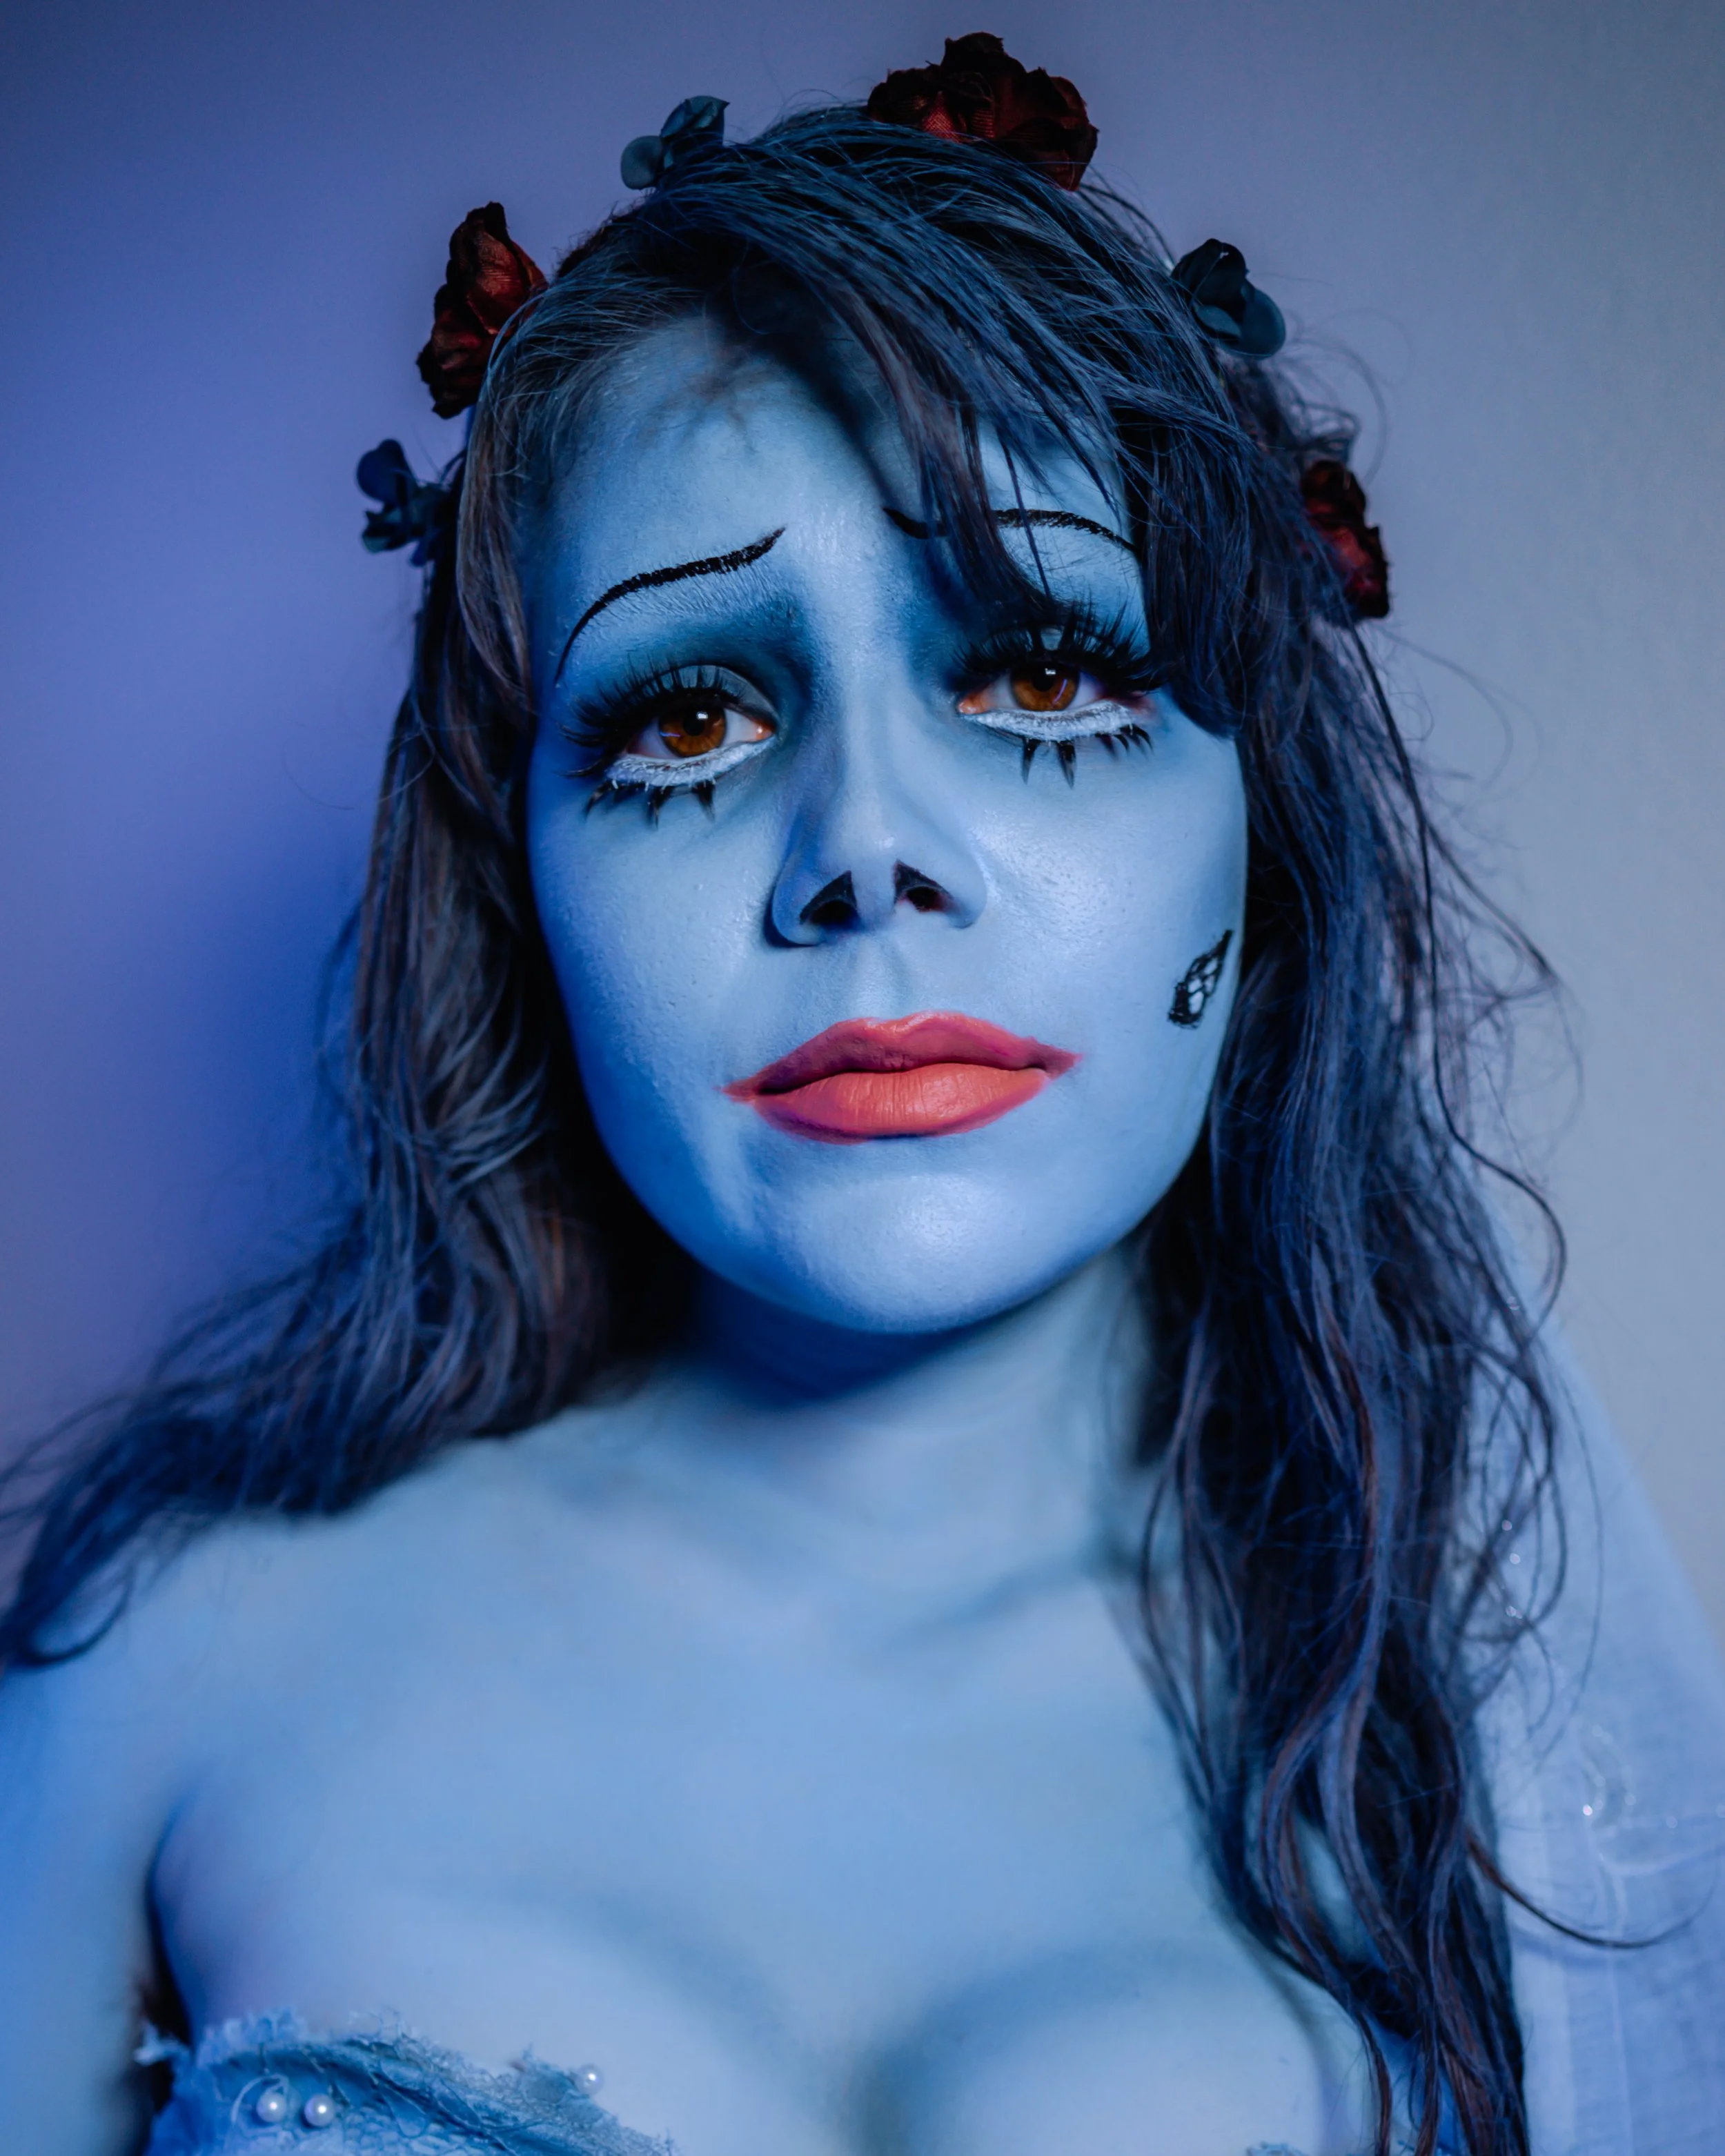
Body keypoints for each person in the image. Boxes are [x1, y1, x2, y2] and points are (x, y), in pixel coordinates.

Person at [1, 34, 1720, 2156]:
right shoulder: (158, 1663)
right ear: (514, 873)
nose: (865, 848)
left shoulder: (1501, 1759)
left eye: (1036, 672)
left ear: (1262, 827)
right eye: (689, 713)